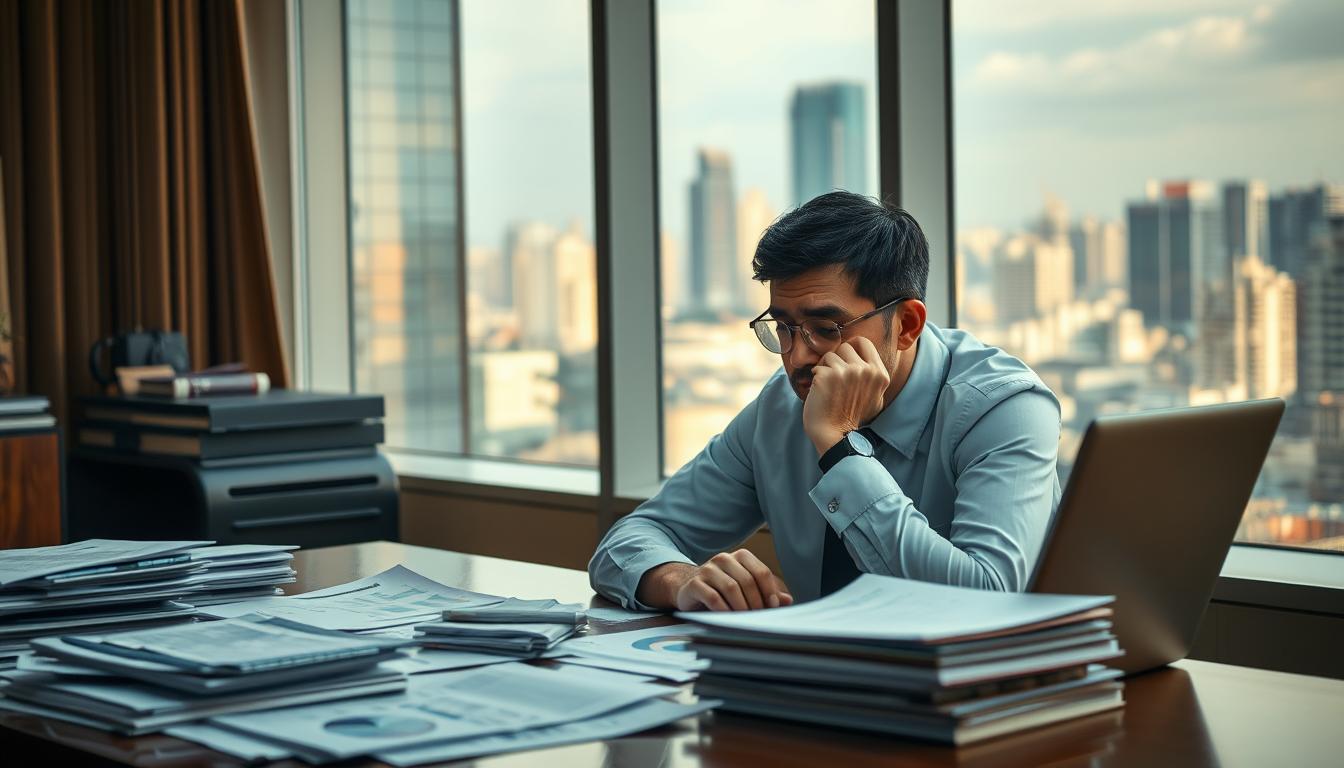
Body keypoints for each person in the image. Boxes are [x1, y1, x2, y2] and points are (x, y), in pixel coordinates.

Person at [589, 191, 1061, 611]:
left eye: (826, 328)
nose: (797, 357)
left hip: (986, 697)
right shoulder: (780, 408)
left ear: (908, 325)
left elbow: (987, 597)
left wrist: (839, 448)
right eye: (784, 327)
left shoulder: (1003, 408)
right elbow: (626, 543)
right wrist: (684, 581)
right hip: (817, 686)